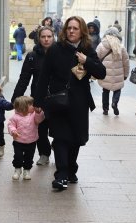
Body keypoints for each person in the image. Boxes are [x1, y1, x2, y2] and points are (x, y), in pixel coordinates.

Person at [35, 16, 106, 190]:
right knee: (60, 138)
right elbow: (43, 76)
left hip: (79, 102)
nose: (71, 31)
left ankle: (71, 169)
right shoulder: (55, 49)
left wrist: (86, 61)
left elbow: (102, 72)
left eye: (75, 28)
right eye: (69, 28)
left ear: (82, 31)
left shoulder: (88, 50)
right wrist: (38, 101)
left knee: (75, 139)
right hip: (58, 101)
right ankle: (61, 175)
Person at [11, 26, 55, 165]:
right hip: (39, 97)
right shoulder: (32, 56)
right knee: (40, 128)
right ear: (38, 39)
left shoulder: (59, 53)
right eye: (43, 37)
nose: (46, 39)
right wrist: (15, 99)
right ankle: (44, 154)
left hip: (57, 98)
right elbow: (24, 79)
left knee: (58, 128)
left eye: (49, 36)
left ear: (53, 38)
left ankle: (58, 149)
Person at [8, 96, 45, 180]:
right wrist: (13, 131)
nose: (34, 106)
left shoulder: (34, 115)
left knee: (29, 157)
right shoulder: (15, 117)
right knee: (18, 156)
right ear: (23, 107)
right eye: (31, 105)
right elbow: (11, 125)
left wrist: (39, 112)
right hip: (18, 141)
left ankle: (26, 170)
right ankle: (17, 170)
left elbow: (39, 120)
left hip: (31, 141)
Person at [96, 26, 129, 116]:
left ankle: (105, 109)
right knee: (117, 89)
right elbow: (126, 62)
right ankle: (114, 103)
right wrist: (126, 74)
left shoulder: (102, 45)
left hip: (105, 73)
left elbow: (96, 58)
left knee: (105, 90)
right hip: (118, 74)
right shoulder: (121, 46)